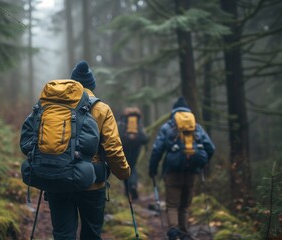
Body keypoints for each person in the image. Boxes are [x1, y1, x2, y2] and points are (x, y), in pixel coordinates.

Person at [45, 60, 131, 240]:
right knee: (91, 233)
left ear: (72, 83)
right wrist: (124, 173)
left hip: (57, 178)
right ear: (92, 86)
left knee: (62, 234)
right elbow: (113, 149)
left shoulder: (52, 106)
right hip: (91, 182)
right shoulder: (101, 109)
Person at [148, 97, 215, 240]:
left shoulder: (168, 126)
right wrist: (201, 164)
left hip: (172, 171)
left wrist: (152, 169)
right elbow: (210, 148)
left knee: (172, 204)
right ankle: (184, 233)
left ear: (174, 111)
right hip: (192, 172)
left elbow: (157, 150)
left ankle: (173, 231)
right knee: (184, 206)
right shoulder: (196, 127)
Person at [118, 107, 148, 200]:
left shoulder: (123, 121)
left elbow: (118, 136)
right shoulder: (138, 122)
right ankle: (133, 185)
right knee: (133, 166)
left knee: (125, 166)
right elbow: (145, 139)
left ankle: (127, 191)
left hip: (125, 147)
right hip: (136, 147)